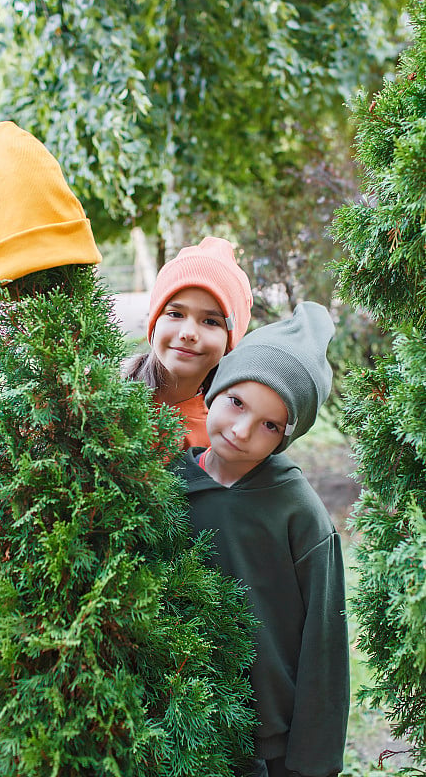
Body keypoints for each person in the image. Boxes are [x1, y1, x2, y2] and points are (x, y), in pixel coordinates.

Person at [177, 302, 350, 777]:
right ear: (215, 389)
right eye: (237, 402)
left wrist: (313, 762)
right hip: (180, 724)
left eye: (270, 425)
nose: (241, 430)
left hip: (271, 746)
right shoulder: (166, 485)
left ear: (284, 439)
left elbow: (325, 646)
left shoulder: (300, 513)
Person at [125, 236, 253, 448]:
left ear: (229, 342)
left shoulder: (223, 438)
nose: (188, 333)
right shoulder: (103, 392)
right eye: (175, 314)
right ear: (155, 321)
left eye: (211, 321)